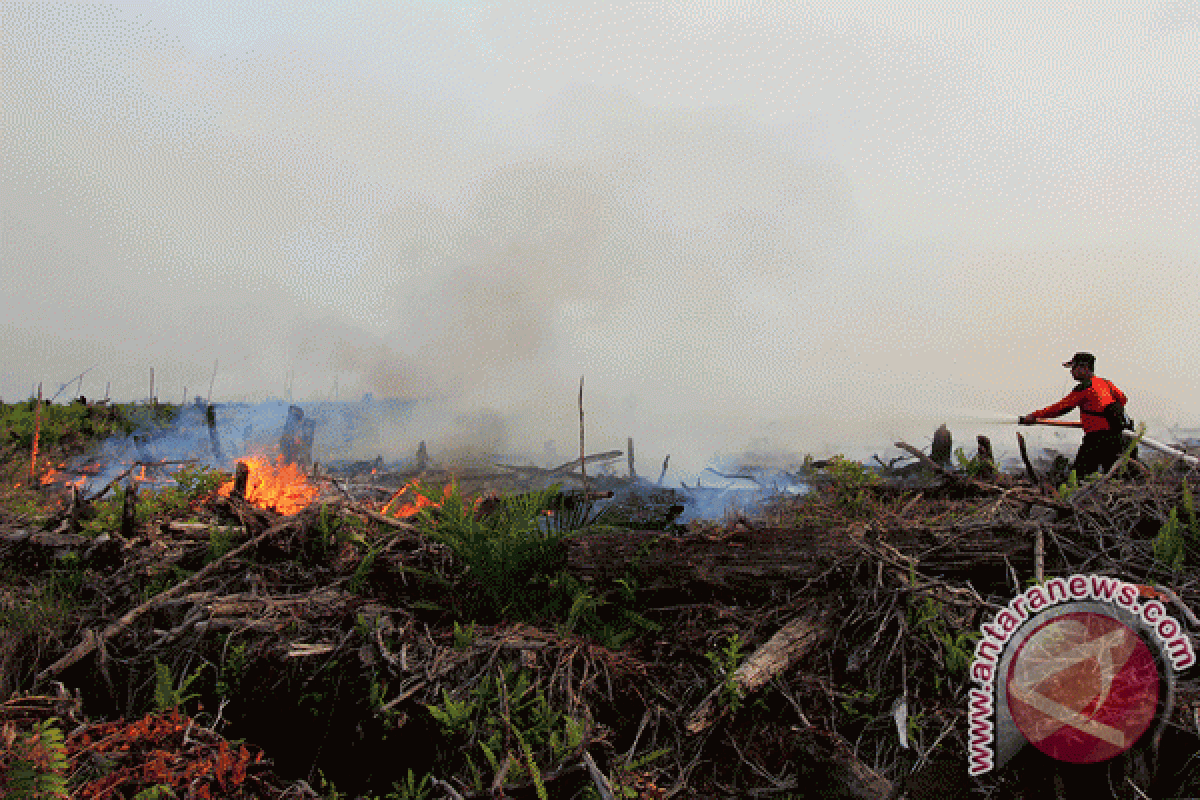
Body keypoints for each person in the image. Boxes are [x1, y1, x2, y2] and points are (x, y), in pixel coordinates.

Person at [1019, 352, 1132, 477]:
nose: (1071, 372)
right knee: (1114, 475)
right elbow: (1123, 399)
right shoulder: (1105, 383)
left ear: (1084, 368)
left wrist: (1034, 416)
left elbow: (1060, 409)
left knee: (1080, 475)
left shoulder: (1084, 388)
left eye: (1073, 368)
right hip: (1117, 436)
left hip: (1097, 439)